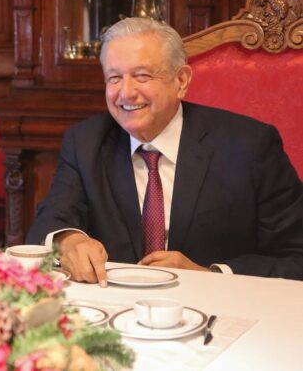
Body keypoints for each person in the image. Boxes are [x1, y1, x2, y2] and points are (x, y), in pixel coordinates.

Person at [27, 17, 303, 285]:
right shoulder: (85, 142)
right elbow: (51, 217)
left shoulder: (249, 146)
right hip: (115, 311)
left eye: (142, 76)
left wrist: (209, 276)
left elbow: (296, 255)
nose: (125, 93)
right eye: (114, 78)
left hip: (219, 311)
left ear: (181, 81)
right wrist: (69, 240)